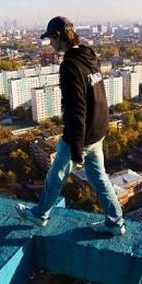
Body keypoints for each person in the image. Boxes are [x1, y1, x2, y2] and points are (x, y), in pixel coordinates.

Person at [15, 16, 125, 236]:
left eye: (51, 39)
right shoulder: (88, 55)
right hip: (98, 129)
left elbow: (77, 109)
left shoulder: (69, 66)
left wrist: (76, 149)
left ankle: (40, 215)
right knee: (98, 176)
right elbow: (97, 95)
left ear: (58, 37)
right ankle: (115, 221)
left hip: (82, 135)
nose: (50, 44)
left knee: (55, 175)